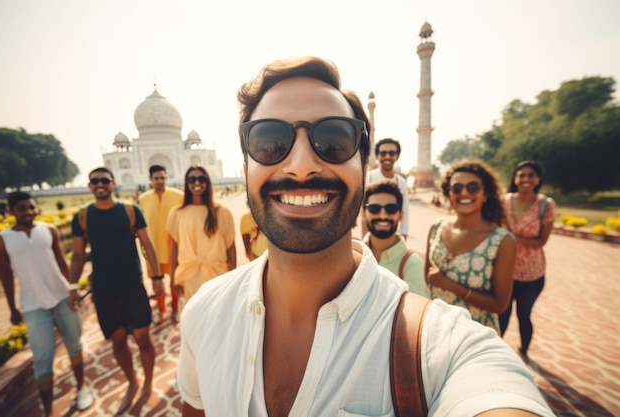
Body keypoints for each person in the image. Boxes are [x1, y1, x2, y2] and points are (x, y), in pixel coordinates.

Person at [177, 57, 553, 416]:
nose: (303, 165)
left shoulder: (439, 346)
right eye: (270, 142)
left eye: (335, 141)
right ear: (246, 170)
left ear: (364, 168)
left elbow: (495, 393)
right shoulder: (205, 312)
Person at [69, 167, 164, 415]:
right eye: (95, 181)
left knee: (143, 338)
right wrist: (72, 286)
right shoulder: (83, 217)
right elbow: (78, 254)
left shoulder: (130, 211)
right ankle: (132, 381)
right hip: (104, 290)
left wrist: (156, 276)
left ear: (113, 183)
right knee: (119, 341)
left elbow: (148, 244)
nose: (100, 184)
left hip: (132, 287)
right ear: (89, 186)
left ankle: (148, 382)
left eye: (104, 180)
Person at [0, 192, 94, 416]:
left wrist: (73, 290)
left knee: (75, 346)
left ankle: (81, 387)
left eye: (31, 207)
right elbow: (6, 277)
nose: (28, 212)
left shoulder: (48, 230)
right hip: (33, 305)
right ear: (12, 211)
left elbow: (61, 262)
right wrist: (12, 308)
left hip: (61, 298)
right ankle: (49, 411)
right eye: (22, 208)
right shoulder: (2, 241)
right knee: (42, 359)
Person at [424, 159, 516, 334]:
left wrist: (449, 284)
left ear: (486, 194)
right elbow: (429, 282)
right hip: (436, 330)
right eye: (457, 188)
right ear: (449, 193)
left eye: (473, 187)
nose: (464, 193)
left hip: (475, 335)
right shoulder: (436, 227)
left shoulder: (502, 241)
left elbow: (499, 304)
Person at [499, 160, 555, 358]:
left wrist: (512, 238)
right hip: (504, 270)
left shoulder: (545, 205)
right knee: (501, 314)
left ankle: (524, 352)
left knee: (523, 314)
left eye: (530, 175)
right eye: (521, 175)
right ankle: (495, 353)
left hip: (532, 274)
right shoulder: (505, 201)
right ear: (515, 178)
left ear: (538, 179)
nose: (525, 179)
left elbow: (541, 241)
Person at [167, 165, 236, 304]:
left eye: (201, 179)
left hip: (218, 273)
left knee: (218, 317)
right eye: (192, 179)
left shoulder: (222, 211)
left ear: (207, 182)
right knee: (195, 319)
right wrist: (173, 278)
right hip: (190, 275)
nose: (197, 183)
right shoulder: (177, 213)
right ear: (187, 183)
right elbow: (174, 248)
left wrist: (233, 277)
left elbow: (230, 246)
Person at [362, 179, 426, 296]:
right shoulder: (351, 255)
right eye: (374, 208)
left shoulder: (412, 264)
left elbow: (415, 312)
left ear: (401, 215)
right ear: (363, 214)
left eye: (391, 209)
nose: (382, 216)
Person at [138, 164, 184, 322]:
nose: (160, 181)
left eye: (162, 178)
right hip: (153, 249)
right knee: (156, 282)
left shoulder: (178, 196)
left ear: (166, 178)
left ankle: (175, 308)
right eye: (156, 178)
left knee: (174, 281)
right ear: (150, 179)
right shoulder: (143, 199)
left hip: (173, 248)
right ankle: (161, 308)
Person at [362, 138, 409, 239]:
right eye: (383, 153)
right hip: (371, 234)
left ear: (397, 156)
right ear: (377, 156)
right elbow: (364, 213)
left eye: (392, 153)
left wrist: (404, 236)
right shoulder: (368, 178)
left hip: (391, 233)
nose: (387, 157)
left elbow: (404, 211)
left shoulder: (401, 182)